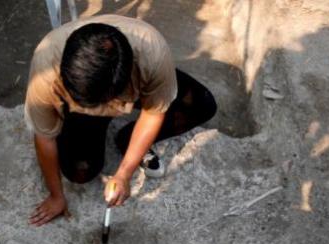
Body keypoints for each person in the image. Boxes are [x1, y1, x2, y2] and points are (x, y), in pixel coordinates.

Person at [24, 15, 217, 226]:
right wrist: (56, 196)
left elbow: (153, 113)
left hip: (133, 78)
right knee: (80, 171)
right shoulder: (45, 71)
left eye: (110, 103)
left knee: (202, 105)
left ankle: (128, 139)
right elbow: (45, 137)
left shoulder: (152, 53)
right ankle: (88, 121)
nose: (110, 109)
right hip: (83, 106)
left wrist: (124, 173)